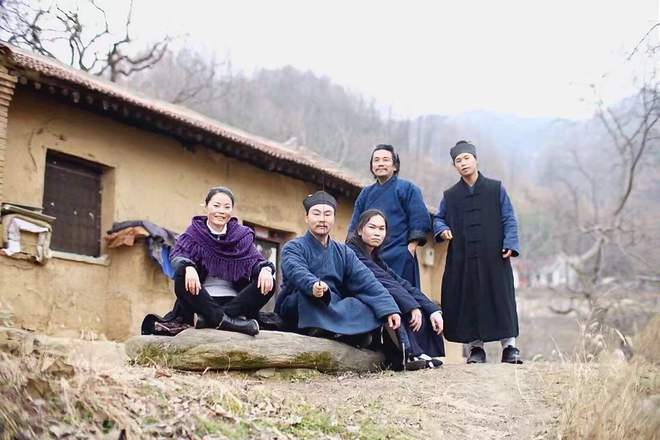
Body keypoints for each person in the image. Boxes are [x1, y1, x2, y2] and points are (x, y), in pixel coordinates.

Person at [141, 186, 276, 337]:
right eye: (216, 205)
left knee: (268, 281)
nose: (221, 211)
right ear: (206, 207)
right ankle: (230, 322)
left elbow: (255, 260)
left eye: (227, 207)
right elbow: (177, 256)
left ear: (231, 211)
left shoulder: (241, 236)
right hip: (200, 300)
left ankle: (212, 319)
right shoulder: (193, 234)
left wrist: (265, 269)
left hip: (236, 302)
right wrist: (188, 267)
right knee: (182, 272)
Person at [432, 141, 522, 364]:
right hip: (462, 259)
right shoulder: (450, 195)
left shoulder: (495, 188)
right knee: (469, 301)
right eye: (458, 160)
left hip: (495, 257)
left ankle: (509, 348)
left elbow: (508, 218)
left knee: (501, 299)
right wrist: (442, 229)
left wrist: (510, 243)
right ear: (454, 166)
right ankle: (476, 349)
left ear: (476, 159)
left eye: (467, 158)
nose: (463, 163)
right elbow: (439, 218)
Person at [275, 191, 401, 348]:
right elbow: (295, 269)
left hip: (333, 303)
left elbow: (366, 280)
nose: (322, 219)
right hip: (303, 300)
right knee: (308, 300)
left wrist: (389, 308)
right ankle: (337, 331)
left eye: (328, 214)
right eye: (317, 214)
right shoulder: (293, 247)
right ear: (307, 218)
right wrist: (312, 285)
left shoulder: (344, 252)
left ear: (334, 218)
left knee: (367, 305)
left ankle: (330, 330)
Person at [347, 209, 445, 369]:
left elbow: (400, 283)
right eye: (372, 227)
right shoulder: (352, 252)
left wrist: (432, 309)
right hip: (355, 308)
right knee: (394, 302)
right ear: (359, 230)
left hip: (374, 300)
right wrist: (411, 306)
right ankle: (409, 354)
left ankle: (419, 353)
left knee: (413, 303)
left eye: (381, 228)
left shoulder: (376, 258)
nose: (377, 233)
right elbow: (383, 282)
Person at [348, 144, 431, 288]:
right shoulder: (366, 193)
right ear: (371, 166)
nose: (380, 163)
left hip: (399, 254)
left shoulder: (408, 189)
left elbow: (420, 218)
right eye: (376, 160)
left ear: (395, 166)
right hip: (370, 256)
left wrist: (410, 249)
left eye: (385, 160)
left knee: (402, 294)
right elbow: (356, 224)